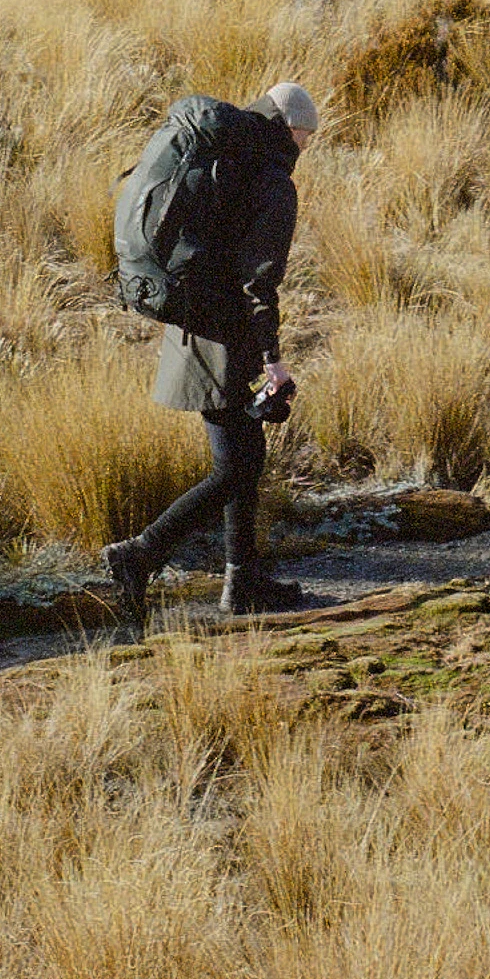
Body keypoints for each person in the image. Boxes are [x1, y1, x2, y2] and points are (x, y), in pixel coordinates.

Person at [105, 79, 319, 628]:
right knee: (238, 466)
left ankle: (241, 582)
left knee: (240, 459)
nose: (305, 148)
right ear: (291, 129)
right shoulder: (271, 179)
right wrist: (273, 358)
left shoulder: (225, 154)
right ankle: (140, 554)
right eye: (306, 137)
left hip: (191, 316)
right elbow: (259, 279)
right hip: (223, 328)